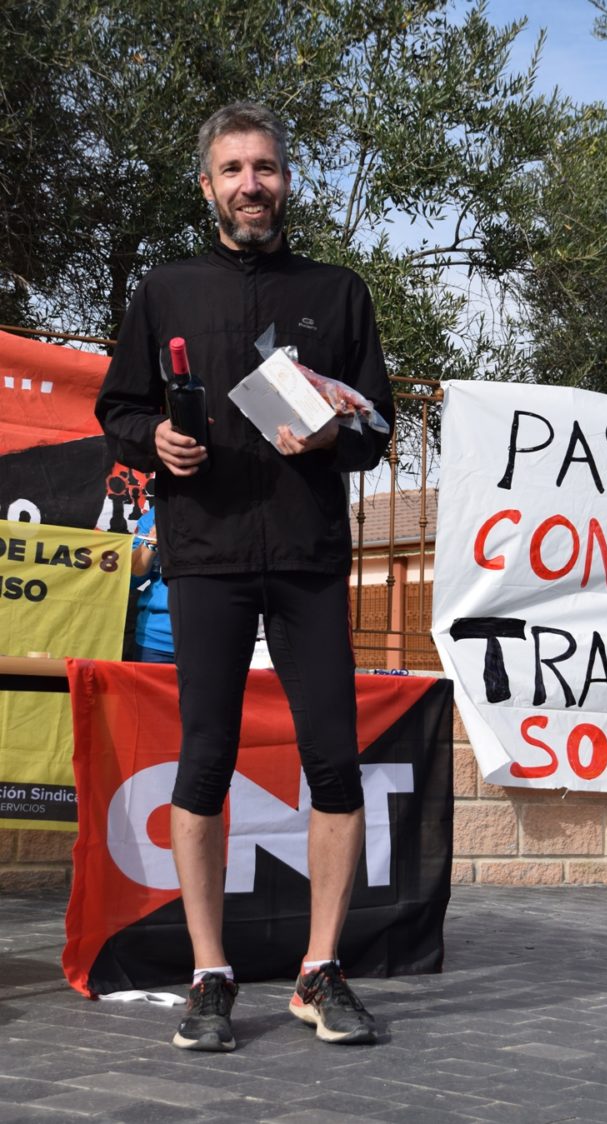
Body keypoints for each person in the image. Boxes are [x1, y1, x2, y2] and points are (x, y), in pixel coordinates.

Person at [95, 101, 394, 1052]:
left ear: (286, 180)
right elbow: (119, 406)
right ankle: (210, 975)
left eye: (264, 167)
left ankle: (319, 973)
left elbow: (378, 429)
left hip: (307, 560)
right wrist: (159, 440)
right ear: (208, 186)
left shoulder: (340, 292)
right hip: (207, 559)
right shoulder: (166, 289)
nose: (251, 184)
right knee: (204, 763)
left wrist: (336, 432)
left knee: (335, 763)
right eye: (233, 170)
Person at [130, 507, 174, 663]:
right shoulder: (159, 512)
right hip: (157, 641)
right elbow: (131, 579)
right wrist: (152, 540)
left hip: (217, 636)